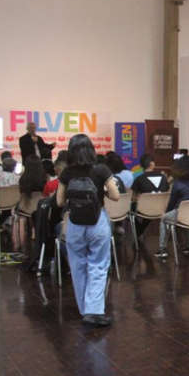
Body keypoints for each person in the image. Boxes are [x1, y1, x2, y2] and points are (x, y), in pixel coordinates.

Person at [56, 134, 120, 327]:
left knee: (78, 266)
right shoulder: (101, 169)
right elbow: (116, 196)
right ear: (91, 149)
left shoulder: (67, 173)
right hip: (97, 221)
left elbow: (59, 201)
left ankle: (85, 309)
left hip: (75, 223)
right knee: (98, 265)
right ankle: (94, 311)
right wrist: (104, 191)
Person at [155, 155, 189, 259]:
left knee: (164, 219)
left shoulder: (178, 183)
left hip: (182, 213)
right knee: (188, 216)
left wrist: (167, 212)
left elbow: (172, 201)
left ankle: (162, 249)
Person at [131, 154, 169, 238]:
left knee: (130, 210)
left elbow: (133, 198)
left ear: (141, 166)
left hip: (145, 210)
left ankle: (139, 230)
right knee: (150, 210)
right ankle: (140, 231)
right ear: (152, 164)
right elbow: (166, 193)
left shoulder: (139, 179)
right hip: (162, 209)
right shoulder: (163, 177)